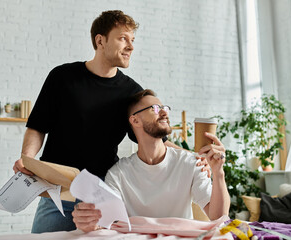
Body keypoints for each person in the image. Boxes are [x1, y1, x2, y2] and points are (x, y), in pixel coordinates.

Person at [12, 10, 208, 233]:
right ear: (100, 40)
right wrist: (27, 160)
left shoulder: (132, 93)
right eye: (123, 38)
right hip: (57, 189)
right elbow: (38, 126)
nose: (131, 46)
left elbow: (154, 140)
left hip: (103, 191)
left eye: (132, 40)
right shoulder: (62, 77)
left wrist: (195, 159)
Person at [72, 89, 231, 232]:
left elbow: (218, 217)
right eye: (155, 109)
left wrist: (218, 173)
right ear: (135, 121)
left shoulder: (190, 163)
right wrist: (89, 221)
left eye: (164, 108)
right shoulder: (118, 173)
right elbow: (105, 220)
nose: (164, 113)